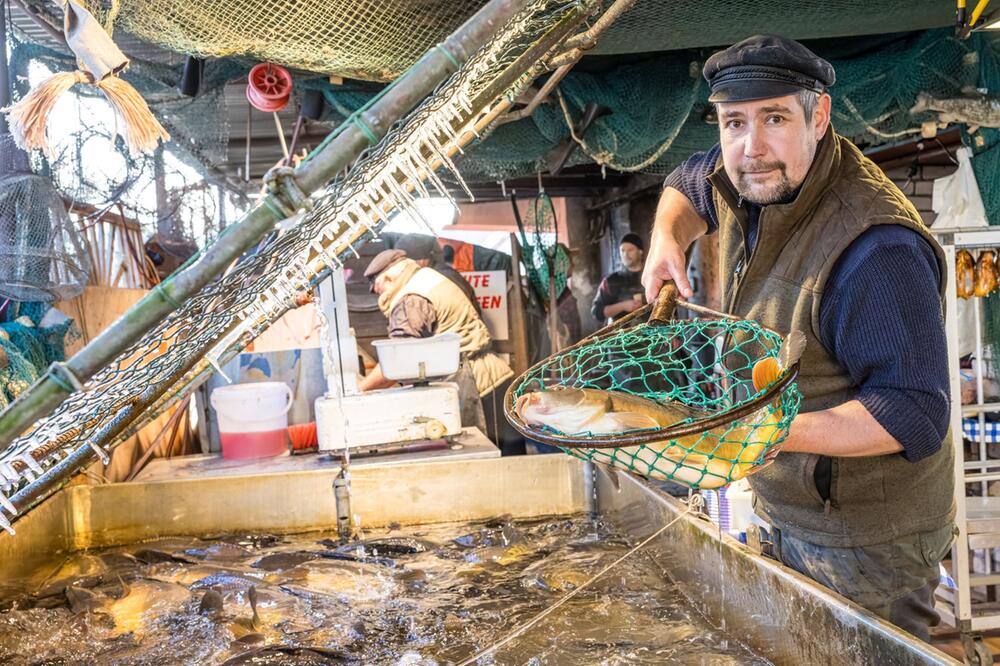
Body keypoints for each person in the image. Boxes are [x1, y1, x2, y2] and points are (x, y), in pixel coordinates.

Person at [641, 34, 954, 641]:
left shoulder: (875, 249)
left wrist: (760, 431)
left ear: (819, 116)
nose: (751, 148)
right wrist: (665, 238)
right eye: (734, 122)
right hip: (787, 507)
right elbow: (688, 179)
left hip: (868, 541)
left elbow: (914, 412)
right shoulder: (751, 175)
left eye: (775, 118)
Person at [359, 249, 526, 455]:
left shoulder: (411, 299)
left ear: (389, 277)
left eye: (377, 288)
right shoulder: (428, 278)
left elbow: (399, 361)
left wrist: (360, 391)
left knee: (490, 466)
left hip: (474, 387)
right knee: (512, 462)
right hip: (496, 379)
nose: (378, 295)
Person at [393, 234, 481, 314]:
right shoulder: (432, 275)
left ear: (421, 260)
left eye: (405, 262)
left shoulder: (441, 277)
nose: (403, 267)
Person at [591, 232, 646, 326]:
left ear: (640, 251)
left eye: (630, 250)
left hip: (652, 336)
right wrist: (623, 306)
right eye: (622, 250)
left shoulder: (650, 276)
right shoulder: (611, 281)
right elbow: (597, 312)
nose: (625, 254)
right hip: (620, 337)